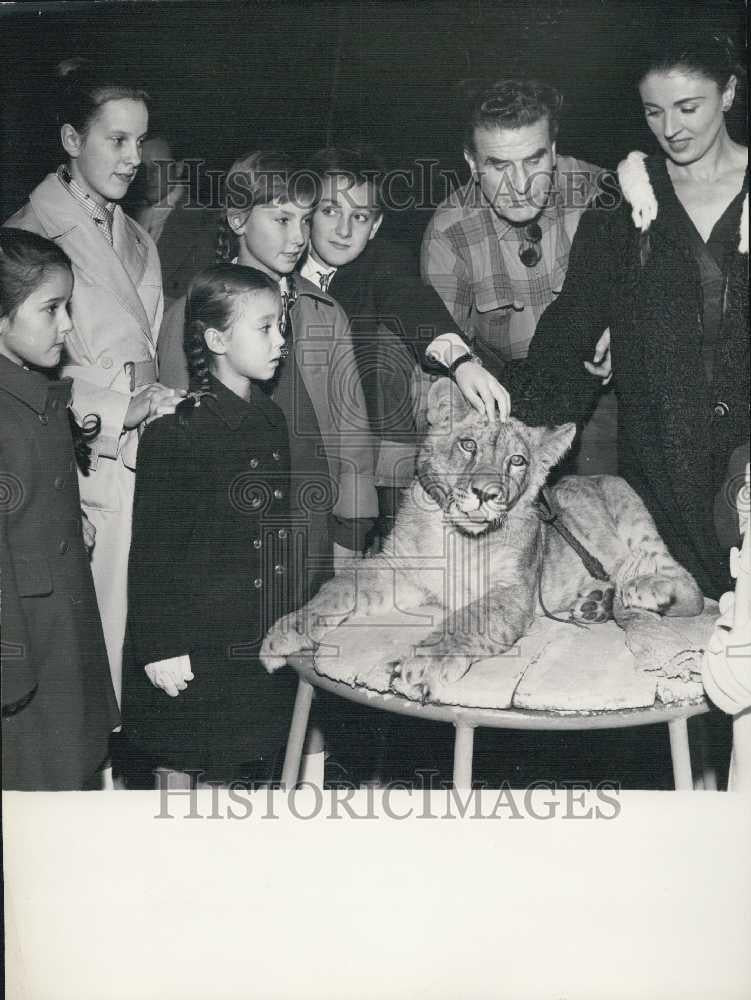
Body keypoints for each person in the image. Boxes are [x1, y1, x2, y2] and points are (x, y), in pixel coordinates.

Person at [508, 29, 748, 602]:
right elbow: (572, 326)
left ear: (730, 93)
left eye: (690, 108)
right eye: (654, 111)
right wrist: (517, 440)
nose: (672, 128)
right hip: (660, 479)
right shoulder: (621, 205)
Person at [4, 61, 183, 709]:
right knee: (80, 663)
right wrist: (117, 409)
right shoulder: (27, 236)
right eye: (117, 140)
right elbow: (21, 377)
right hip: (77, 466)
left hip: (142, 461)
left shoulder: (136, 234)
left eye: (140, 141)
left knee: (139, 652)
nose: (134, 157)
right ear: (71, 140)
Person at [157, 149, 379, 605]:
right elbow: (177, 454)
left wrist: (351, 536)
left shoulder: (324, 313)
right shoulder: (192, 314)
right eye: (281, 220)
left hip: (312, 532)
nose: (298, 237)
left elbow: (351, 440)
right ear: (238, 219)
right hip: (226, 543)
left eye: (304, 220)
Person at [124, 264, 297, 787]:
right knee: (183, 756)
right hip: (195, 636)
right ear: (217, 338)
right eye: (264, 328)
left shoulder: (270, 419)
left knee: (237, 759)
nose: (279, 340)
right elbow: (154, 550)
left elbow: (277, 535)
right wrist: (159, 646)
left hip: (251, 630)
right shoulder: (178, 431)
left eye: (281, 326)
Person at [299, 146, 510, 535]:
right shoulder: (278, 260)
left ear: (375, 226)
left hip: (354, 445)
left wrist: (461, 362)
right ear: (306, 213)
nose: (344, 231)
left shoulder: (380, 264)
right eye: (330, 211)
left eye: (359, 217)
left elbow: (410, 301)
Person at [421, 78, 617, 475]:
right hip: (503, 399)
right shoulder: (448, 231)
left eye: (533, 160)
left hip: (604, 392)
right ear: (473, 164)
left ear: (555, 152)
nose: (521, 185)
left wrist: (626, 330)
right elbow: (442, 356)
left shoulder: (604, 195)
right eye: (499, 165)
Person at [1, 228, 119, 790]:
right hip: (26, 655)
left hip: (60, 639)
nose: (67, 325)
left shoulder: (32, 396)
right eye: (51, 309)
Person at [125, 133, 218, 307]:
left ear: (178, 169)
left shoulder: (205, 221)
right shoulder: (123, 218)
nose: (149, 175)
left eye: (157, 167)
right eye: (142, 167)